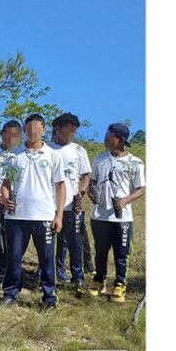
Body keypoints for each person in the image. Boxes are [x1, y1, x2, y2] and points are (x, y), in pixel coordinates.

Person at [0, 114, 65, 310]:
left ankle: (49, 297)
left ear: (43, 130)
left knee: (46, 258)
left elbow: (61, 187)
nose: (32, 133)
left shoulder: (53, 156)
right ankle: (10, 294)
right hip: (17, 216)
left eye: (36, 129)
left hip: (44, 216)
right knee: (14, 256)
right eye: (28, 129)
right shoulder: (14, 155)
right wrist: (5, 199)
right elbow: (5, 183)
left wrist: (59, 215)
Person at [87, 123, 145, 303]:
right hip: (99, 215)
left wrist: (125, 200)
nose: (105, 138)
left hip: (122, 219)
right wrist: (91, 191)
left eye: (109, 135)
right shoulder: (99, 159)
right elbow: (93, 181)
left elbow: (141, 188)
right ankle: (99, 280)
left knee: (121, 253)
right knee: (101, 251)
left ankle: (120, 285)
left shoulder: (135, 163)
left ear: (120, 139)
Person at [49, 113, 91, 293]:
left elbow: (85, 176)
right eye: (68, 130)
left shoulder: (79, 150)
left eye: (74, 131)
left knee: (75, 242)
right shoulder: (47, 149)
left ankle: (78, 276)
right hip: (50, 204)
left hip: (72, 206)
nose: (71, 134)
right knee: (52, 241)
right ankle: (54, 271)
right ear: (58, 129)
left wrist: (80, 194)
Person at [0, 121, 23, 283]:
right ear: (2, 134)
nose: (11, 138)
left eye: (16, 135)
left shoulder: (20, 156)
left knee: (13, 244)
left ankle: (7, 272)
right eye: (8, 134)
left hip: (13, 207)